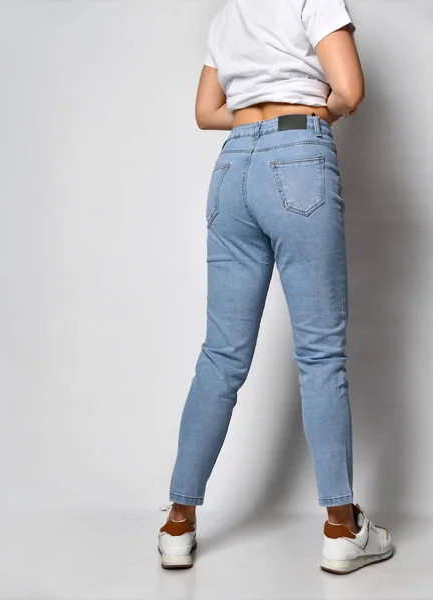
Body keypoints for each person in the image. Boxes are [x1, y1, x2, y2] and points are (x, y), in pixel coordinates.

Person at [157, 0, 393, 574]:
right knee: (319, 353)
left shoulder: (227, 16)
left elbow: (206, 112)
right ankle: (342, 528)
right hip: (297, 157)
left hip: (232, 168)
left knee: (221, 355)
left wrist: (254, 121)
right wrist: (312, 113)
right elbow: (351, 90)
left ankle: (178, 523)